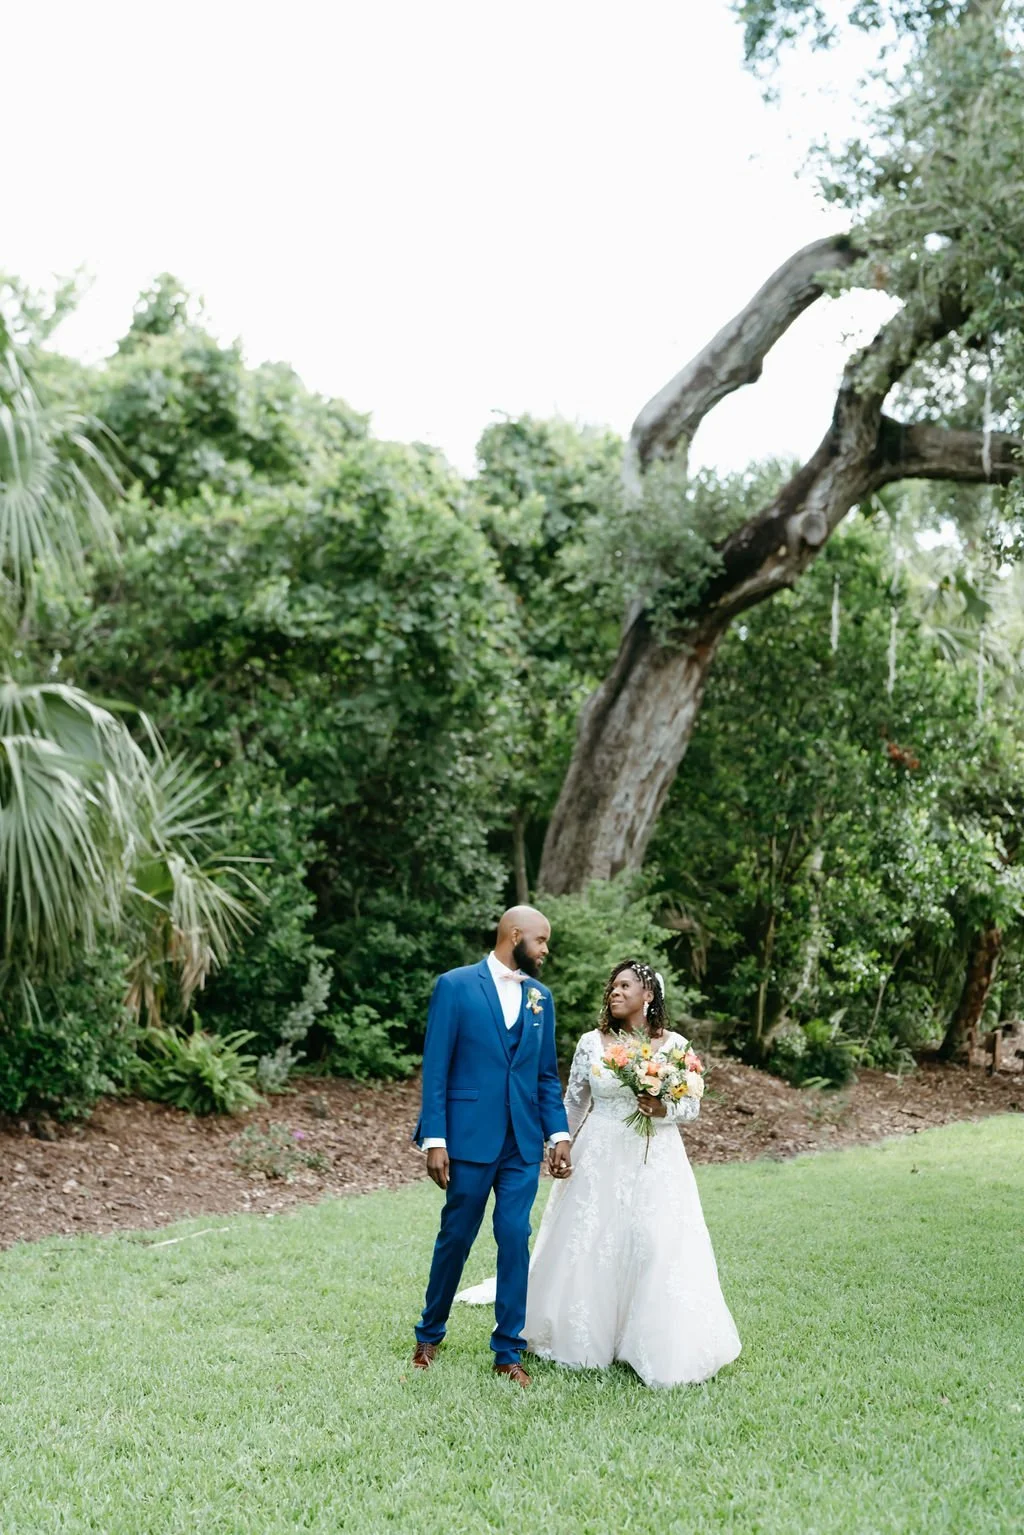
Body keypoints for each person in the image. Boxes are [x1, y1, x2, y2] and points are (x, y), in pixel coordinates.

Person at [458, 959, 741, 1388]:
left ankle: (649, 1341)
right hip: (598, 1154)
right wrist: (559, 1143)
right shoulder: (592, 1042)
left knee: (653, 1243)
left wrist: (662, 1108)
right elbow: (573, 1102)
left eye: (626, 986)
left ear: (649, 995)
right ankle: (583, 1337)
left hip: (656, 1158)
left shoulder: (676, 1046)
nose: (615, 991)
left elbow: (692, 1106)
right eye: (613, 985)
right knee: (590, 1241)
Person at [410, 905, 571, 1388]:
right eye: (541, 941)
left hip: (521, 1144)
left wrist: (558, 1134)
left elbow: (545, 1077)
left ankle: (507, 1350)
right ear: (515, 934)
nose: (545, 951)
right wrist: (434, 1139)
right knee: (456, 1238)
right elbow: (436, 1068)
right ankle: (429, 1333)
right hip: (467, 1139)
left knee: (514, 1235)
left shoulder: (541, 997)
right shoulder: (455, 986)